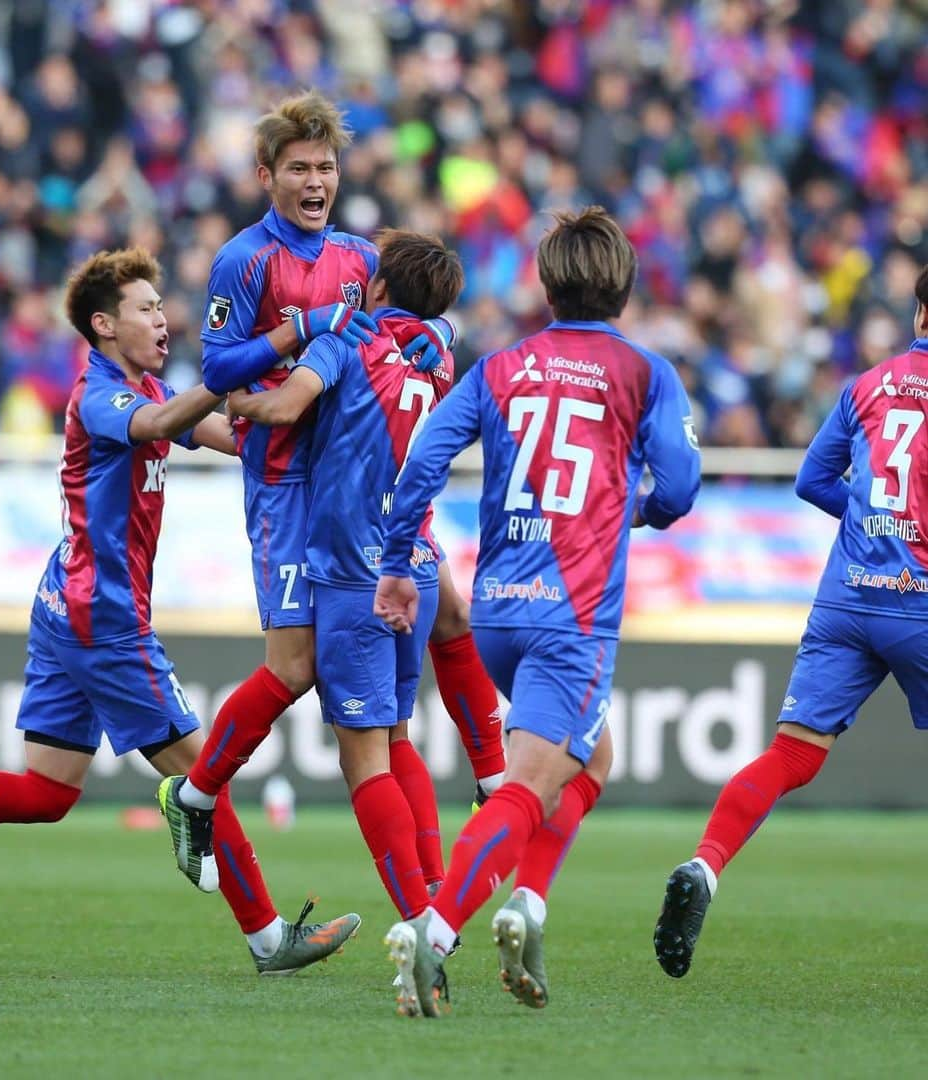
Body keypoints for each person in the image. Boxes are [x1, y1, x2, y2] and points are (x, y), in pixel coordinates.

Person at [0, 248, 359, 975]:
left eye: (159, 305)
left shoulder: (142, 383)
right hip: (104, 619)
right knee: (202, 781)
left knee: (47, 791)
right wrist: (274, 343)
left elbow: (226, 435)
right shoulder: (100, 395)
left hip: (65, 603)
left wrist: (291, 404)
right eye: (146, 308)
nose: (162, 317)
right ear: (104, 325)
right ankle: (268, 938)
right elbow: (163, 422)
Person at [160, 90, 505, 891]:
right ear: (266, 175)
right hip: (286, 484)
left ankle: (486, 789)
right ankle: (198, 796)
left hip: (361, 482)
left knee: (444, 612)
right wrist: (299, 331)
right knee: (296, 666)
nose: (316, 182)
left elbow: (411, 327)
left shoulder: (359, 259)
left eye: (326, 167)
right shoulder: (244, 259)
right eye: (299, 169)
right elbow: (216, 368)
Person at [375, 207, 701, 1018]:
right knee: (527, 786)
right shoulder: (645, 371)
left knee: (592, 762)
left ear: (547, 285)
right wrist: (636, 513)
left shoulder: (499, 367)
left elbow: (423, 462)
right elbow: (683, 486)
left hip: (497, 614)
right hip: (573, 614)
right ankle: (436, 931)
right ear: (622, 285)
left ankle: (531, 904)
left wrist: (394, 564)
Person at [654, 264, 928, 980]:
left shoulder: (867, 385)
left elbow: (811, 480)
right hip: (919, 597)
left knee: (794, 755)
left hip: (847, 596)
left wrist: (873, 523)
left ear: (920, 317)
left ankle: (705, 866)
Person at [226, 229, 463, 914]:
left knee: (365, 759)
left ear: (378, 290)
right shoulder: (438, 359)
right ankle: (439, 893)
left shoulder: (347, 339)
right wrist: (442, 329)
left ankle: (422, 925)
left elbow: (282, 406)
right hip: (415, 564)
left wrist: (236, 402)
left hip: (354, 575)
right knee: (396, 735)